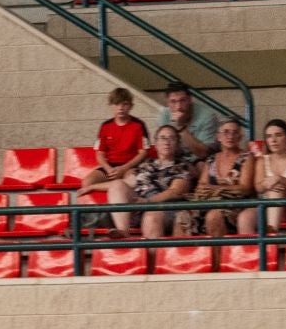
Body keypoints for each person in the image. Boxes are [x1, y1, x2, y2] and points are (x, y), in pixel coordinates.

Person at [86, 88, 152, 233]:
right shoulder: (105, 126)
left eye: (124, 104)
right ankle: (100, 219)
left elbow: (143, 153)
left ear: (131, 106)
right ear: (111, 106)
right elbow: (100, 154)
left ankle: (123, 218)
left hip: (130, 166)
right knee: (86, 182)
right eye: (116, 104)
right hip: (110, 167)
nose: (120, 108)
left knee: (133, 180)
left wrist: (123, 168)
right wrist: (109, 169)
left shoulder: (138, 125)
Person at [124, 125, 199, 239]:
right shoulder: (146, 165)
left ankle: (154, 256)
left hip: (169, 209)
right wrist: (91, 187)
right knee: (117, 185)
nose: (166, 142)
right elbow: (127, 183)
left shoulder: (182, 166)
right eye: (163, 138)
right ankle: (122, 230)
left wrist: (148, 201)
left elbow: (175, 191)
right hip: (142, 210)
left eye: (171, 138)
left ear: (177, 144)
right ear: (156, 143)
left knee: (152, 215)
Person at [193, 117, 257, 238]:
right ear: (218, 137)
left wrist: (215, 188)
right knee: (182, 217)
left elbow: (245, 188)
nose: (230, 136)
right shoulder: (211, 159)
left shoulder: (246, 157)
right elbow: (201, 186)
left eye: (235, 133)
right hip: (210, 203)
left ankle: (220, 257)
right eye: (226, 132)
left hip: (235, 206)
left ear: (240, 137)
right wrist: (220, 188)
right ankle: (184, 257)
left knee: (213, 216)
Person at [166, 82, 222, 159]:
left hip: (201, 160)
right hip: (177, 160)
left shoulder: (207, 117)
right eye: (173, 101)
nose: (178, 106)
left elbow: (203, 154)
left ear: (190, 100)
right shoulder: (164, 114)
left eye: (182, 100)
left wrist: (181, 127)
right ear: (168, 103)